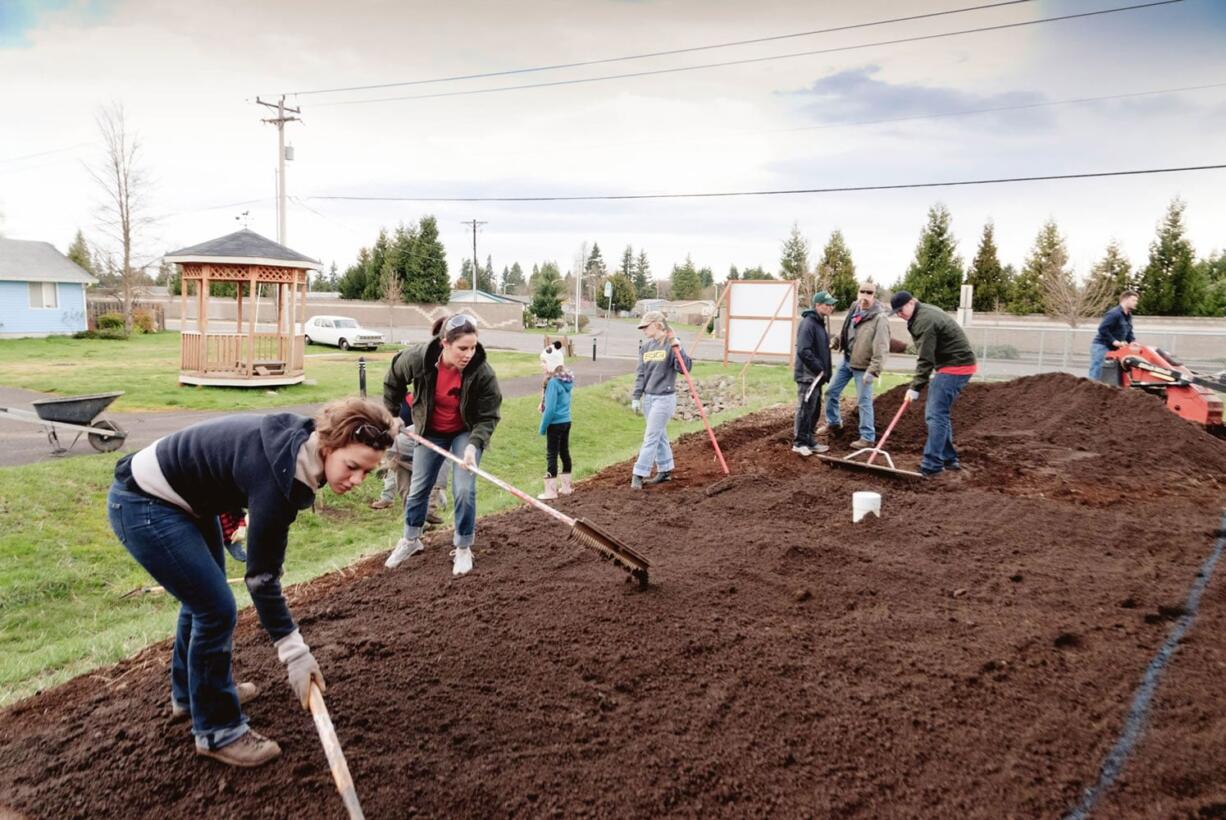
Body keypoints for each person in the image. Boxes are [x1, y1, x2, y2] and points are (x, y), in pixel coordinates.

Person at [105, 398, 395, 767]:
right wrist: (294, 653)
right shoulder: (280, 476)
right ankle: (217, 731)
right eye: (352, 466)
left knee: (203, 601)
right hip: (145, 503)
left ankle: (192, 698)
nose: (356, 480)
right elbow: (261, 578)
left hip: (185, 499)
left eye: (366, 473)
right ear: (328, 445)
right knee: (215, 609)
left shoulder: (299, 446)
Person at [382, 313, 502, 574]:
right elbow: (393, 379)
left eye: (473, 347)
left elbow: (489, 415)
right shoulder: (419, 358)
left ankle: (462, 547)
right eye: (462, 348)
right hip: (431, 430)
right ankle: (411, 540)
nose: (469, 354)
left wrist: (474, 445)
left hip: (465, 432)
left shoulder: (481, 371)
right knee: (419, 487)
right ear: (445, 343)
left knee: (463, 489)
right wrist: (392, 415)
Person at [890, 290, 977, 478]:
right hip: (954, 365)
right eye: (896, 312)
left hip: (955, 367)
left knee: (935, 414)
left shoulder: (924, 321)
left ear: (912, 302)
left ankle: (932, 465)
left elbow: (925, 359)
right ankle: (948, 459)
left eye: (901, 309)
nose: (900, 314)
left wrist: (915, 387)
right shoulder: (923, 313)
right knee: (940, 414)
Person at [819, 280, 891, 449]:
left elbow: (882, 348)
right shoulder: (854, 308)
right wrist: (836, 340)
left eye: (869, 293)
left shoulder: (879, 318)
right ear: (858, 292)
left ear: (874, 295)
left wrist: (873, 370)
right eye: (862, 292)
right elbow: (846, 328)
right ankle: (834, 423)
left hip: (864, 367)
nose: (865, 296)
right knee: (831, 392)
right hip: (847, 360)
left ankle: (867, 437)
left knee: (864, 401)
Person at [630, 310, 692, 489]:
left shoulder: (671, 345)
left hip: (664, 399)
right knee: (659, 435)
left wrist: (678, 348)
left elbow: (684, 368)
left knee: (651, 436)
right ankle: (665, 469)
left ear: (657, 325)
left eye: (645, 326)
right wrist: (636, 397)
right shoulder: (646, 348)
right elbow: (641, 374)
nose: (643, 330)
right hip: (649, 398)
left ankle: (639, 473)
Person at [793, 291, 837, 456]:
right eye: (827, 304)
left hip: (817, 377)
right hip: (808, 376)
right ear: (817, 305)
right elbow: (804, 350)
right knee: (805, 408)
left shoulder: (819, 323)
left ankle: (809, 440)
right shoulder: (808, 323)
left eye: (832, 304)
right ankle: (799, 443)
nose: (831, 307)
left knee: (815, 409)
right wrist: (820, 368)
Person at [537, 364, 575, 499]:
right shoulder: (566, 380)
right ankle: (566, 488)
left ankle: (550, 492)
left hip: (555, 423)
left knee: (551, 454)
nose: (542, 366)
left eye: (544, 363)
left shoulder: (553, 383)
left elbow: (550, 408)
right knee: (564, 451)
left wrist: (542, 427)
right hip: (566, 421)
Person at [1088, 289, 1139, 381]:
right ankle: (1090, 392)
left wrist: (1133, 341)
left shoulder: (1128, 315)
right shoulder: (1114, 313)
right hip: (1102, 346)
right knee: (1097, 370)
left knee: (1116, 372)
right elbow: (1102, 329)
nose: (1136, 303)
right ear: (1126, 300)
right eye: (1134, 300)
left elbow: (1129, 331)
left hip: (1115, 348)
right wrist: (1114, 341)